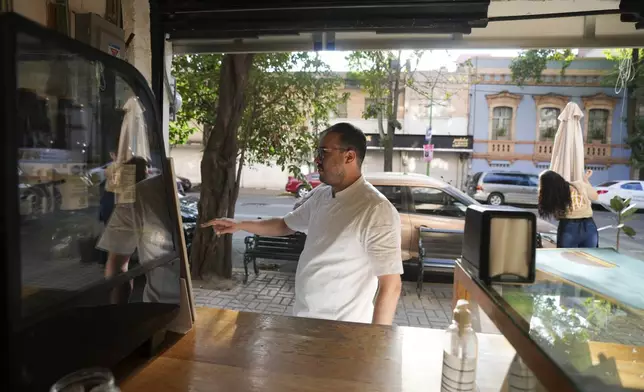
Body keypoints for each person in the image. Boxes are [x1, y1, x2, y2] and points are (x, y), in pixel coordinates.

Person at [202, 123, 403, 325]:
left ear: (349, 156)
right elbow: (284, 225)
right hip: (303, 318)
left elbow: (391, 285)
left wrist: (377, 342)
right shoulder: (322, 195)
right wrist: (239, 224)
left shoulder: (375, 210)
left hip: (343, 330)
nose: (317, 159)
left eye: (323, 152)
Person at [537, 169, 599, 248]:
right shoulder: (579, 185)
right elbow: (595, 197)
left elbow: (555, 215)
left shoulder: (553, 196)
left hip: (568, 226)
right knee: (591, 257)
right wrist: (586, 181)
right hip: (589, 225)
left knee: (567, 258)